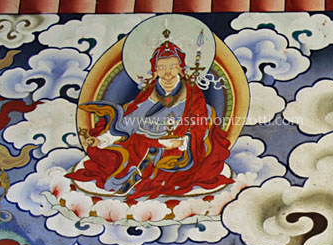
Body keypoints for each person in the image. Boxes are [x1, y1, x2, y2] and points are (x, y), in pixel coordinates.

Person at [68, 31, 232, 199]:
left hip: (177, 145)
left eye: (172, 67)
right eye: (162, 68)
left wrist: (185, 141)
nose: (168, 73)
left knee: (175, 167)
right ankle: (132, 176)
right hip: (144, 141)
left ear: (180, 68)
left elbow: (199, 124)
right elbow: (130, 121)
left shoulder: (192, 94)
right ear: (155, 71)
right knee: (114, 157)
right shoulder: (149, 93)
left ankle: (142, 176)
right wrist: (104, 139)